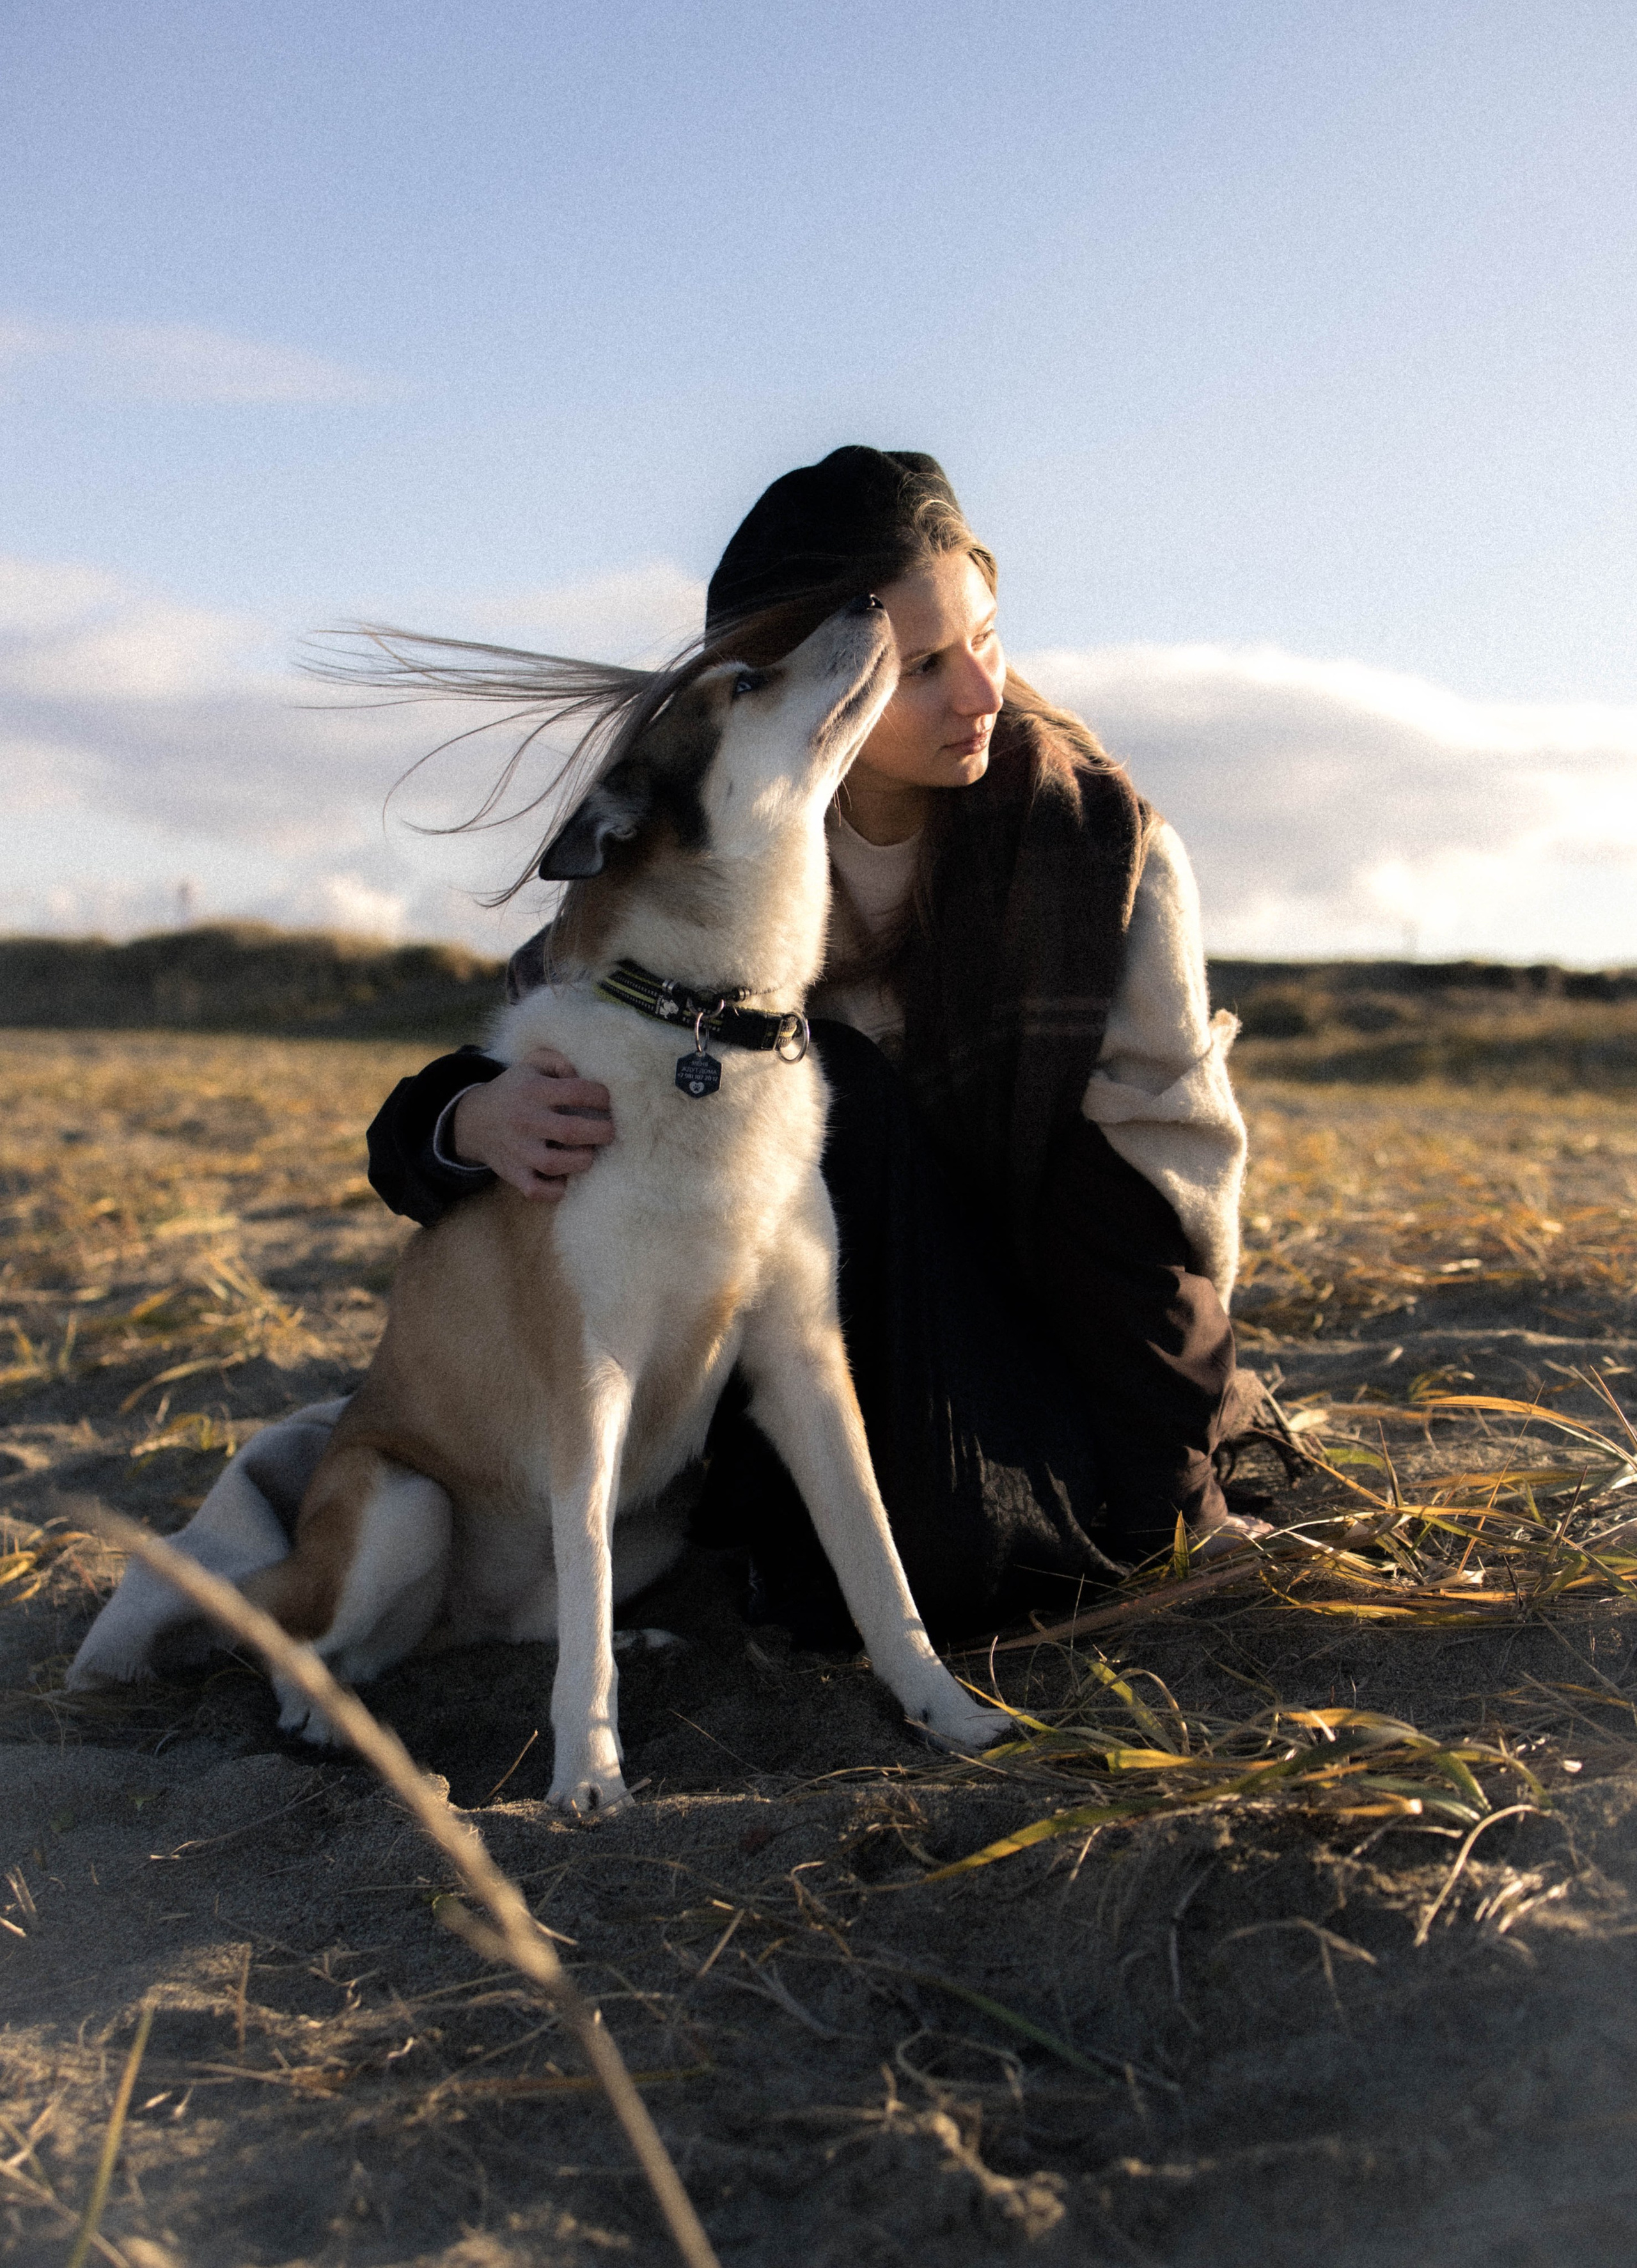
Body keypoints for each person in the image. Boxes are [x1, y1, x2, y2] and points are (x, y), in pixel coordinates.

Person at [363, 447, 1253, 1644]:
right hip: (808, 1353)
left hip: (1048, 1318)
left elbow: (1161, 1197)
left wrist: (1176, 1491)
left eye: (986, 639)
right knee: (825, 1104)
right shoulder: (716, 838)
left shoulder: (1097, 853)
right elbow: (548, 1036)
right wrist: (463, 1120)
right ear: (817, 668)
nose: (981, 694)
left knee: (855, 1106)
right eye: (922, 668)